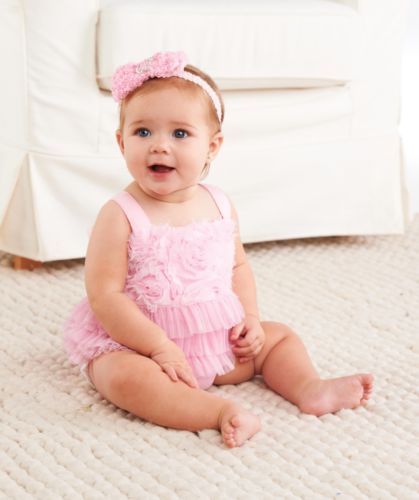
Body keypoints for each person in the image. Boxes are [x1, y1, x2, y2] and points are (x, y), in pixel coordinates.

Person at [64, 51, 373, 448]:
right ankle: (217, 411)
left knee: (280, 339)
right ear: (122, 142)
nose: (159, 146)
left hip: (216, 341)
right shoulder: (120, 214)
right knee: (121, 376)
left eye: (180, 134)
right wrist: (158, 347)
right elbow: (105, 296)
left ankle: (309, 388)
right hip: (141, 346)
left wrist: (251, 320)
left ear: (212, 147)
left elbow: (237, 268)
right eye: (143, 132)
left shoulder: (220, 204)